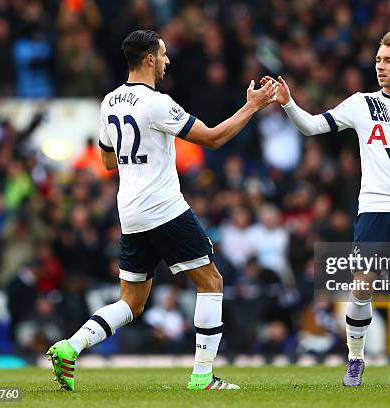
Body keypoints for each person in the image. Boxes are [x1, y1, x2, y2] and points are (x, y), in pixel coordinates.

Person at [47, 29, 277, 392]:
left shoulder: (109, 101)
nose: (168, 62)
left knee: (132, 302)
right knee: (211, 281)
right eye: (165, 55)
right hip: (164, 207)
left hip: (131, 212)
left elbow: (108, 160)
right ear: (150, 59)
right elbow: (214, 138)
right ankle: (202, 376)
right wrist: (253, 105)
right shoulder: (157, 102)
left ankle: (70, 346)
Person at [263, 28, 390, 386]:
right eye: (378, 60)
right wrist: (289, 103)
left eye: (389, 61)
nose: (381, 67)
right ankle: (355, 359)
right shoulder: (361, 104)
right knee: (361, 285)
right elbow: (311, 127)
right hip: (372, 209)